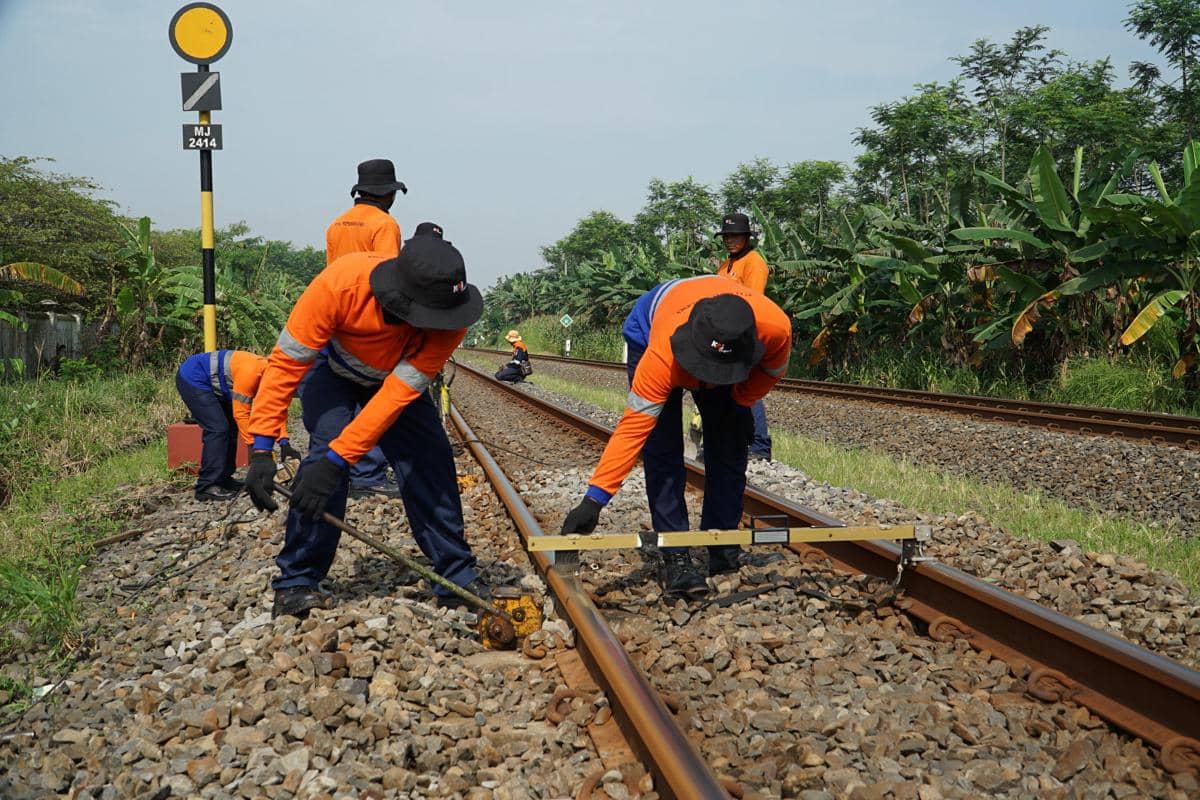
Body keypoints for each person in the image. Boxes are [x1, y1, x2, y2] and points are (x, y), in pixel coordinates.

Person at [244, 236, 489, 619]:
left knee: (430, 459)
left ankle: (455, 575)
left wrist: (341, 458)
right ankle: (296, 583)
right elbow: (286, 366)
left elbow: (393, 398)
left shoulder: (451, 317)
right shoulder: (339, 285)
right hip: (333, 374)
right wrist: (261, 447)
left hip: (393, 382)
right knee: (320, 462)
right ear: (400, 301)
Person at [558, 276, 791, 599]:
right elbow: (633, 430)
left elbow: (770, 372)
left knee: (730, 445)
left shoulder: (775, 329)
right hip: (653, 328)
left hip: (725, 343)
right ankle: (676, 555)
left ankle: (721, 544)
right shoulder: (662, 355)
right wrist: (594, 499)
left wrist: (742, 403)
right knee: (662, 449)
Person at [326, 159, 408, 498]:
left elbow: (332, 273)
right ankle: (369, 473)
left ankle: (344, 467)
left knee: (343, 401)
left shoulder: (336, 224)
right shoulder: (385, 225)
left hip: (336, 318)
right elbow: (386, 279)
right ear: (389, 194)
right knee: (375, 398)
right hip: (371, 322)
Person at [175, 349, 298, 501]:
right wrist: (258, 451)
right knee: (218, 429)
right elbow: (241, 415)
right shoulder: (251, 373)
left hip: (216, 383)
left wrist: (285, 442)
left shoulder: (272, 379)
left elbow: (273, 411)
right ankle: (206, 486)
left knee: (230, 429)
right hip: (193, 378)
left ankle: (224, 479)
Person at [715, 212, 773, 460]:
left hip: (745, 333)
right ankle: (732, 440)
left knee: (746, 388)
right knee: (725, 388)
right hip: (725, 334)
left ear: (747, 237)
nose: (730, 240)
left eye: (735, 235)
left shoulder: (754, 263)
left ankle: (760, 445)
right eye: (726, 236)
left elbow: (753, 302)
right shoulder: (725, 265)